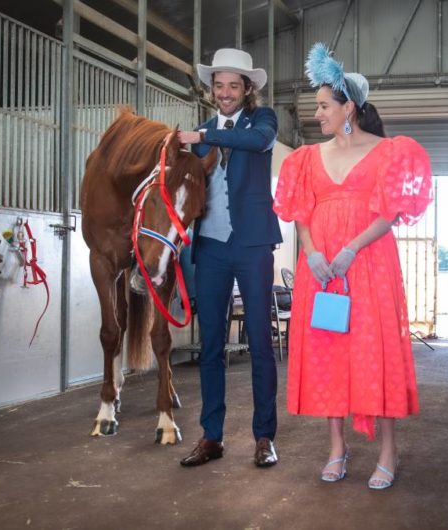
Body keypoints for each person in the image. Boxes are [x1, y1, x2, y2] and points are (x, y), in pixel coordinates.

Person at [273, 43, 433, 489]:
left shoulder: (388, 152)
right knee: (328, 354)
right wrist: (313, 251)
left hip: (369, 265)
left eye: (324, 106)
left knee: (374, 352)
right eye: (317, 107)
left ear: (349, 108)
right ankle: (336, 448)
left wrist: (352, 248)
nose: (317, 114)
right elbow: (300, 212)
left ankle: (387, 452)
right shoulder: (306, 157)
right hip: (322, 270)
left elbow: (392, 212)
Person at [174, 48, 283, 468]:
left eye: (233, 86)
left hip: (253, 244)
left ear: (247, 89)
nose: (224, 93)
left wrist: (203, 138)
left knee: (259, 341)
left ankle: (264, 436)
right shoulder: (200, 132)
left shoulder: (263, 122)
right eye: (218, 85)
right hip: (212, 248)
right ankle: (211, 437)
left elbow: (256, 142)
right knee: (213, 346)